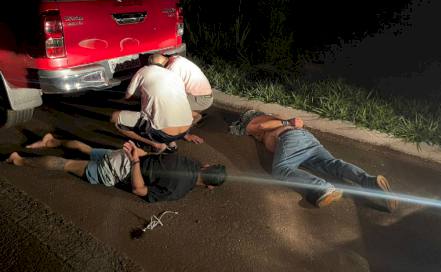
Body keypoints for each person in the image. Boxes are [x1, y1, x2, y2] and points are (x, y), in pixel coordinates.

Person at [229, 110, 398, 211]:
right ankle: (370, 181)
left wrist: (284, 122)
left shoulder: (260, 119)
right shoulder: (274, 120)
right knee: (333, 165)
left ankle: (322, 187)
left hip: (290, 138)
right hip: (307, 140)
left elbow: (255, 127)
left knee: (280, 169)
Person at [6, 133, 227, 203]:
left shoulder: (188, 162)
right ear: (209, 188)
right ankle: (19, 160)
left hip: (124, 156)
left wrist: (135, 154)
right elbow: (139, 190)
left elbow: (154, 155)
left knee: (88, 149)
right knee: (67, 165)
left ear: (207, 166)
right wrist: (135, 162)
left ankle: (51, 141)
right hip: (122, 169)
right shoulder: (178, 191)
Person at [111, 54, 203, 154]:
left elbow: (127, 97)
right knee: (165, 110)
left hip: (163, 133)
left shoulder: (143, 70)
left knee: (115, 118)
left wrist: (142, 96)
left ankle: (157, 145)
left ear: (149, 64)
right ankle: (172, 145)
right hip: (185, 129)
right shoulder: (175, 76)